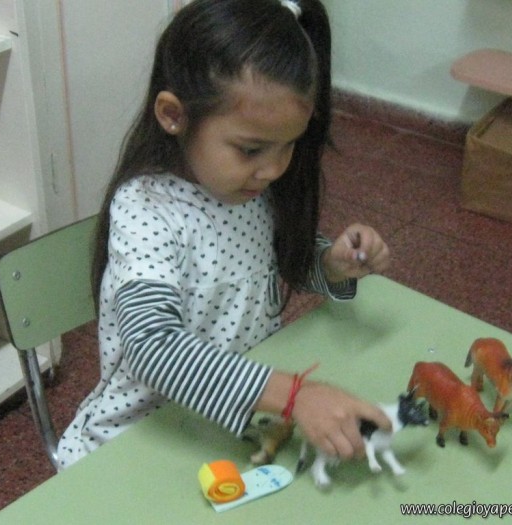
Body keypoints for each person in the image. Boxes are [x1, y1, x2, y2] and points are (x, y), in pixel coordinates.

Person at [57, 0, 392, 469]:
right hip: (135, 443)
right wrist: (295, 395)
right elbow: (153, 346)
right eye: (251, 149)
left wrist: (329, 265)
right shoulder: (146, 210)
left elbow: (277, 263)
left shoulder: (249, 192)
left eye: (288, 146)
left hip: (228, 428)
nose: (273, 169)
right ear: (174, 115)